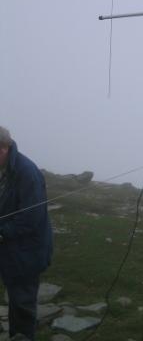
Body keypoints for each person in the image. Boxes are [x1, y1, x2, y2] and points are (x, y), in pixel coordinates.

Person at [0, 127, 53, 341]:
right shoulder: (5, 168)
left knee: (22, 302)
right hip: (10, 248)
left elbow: (31, 217)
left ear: (3, 149)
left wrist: (2, 232)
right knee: (15, 297)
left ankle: (22, 337)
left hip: (26, 252)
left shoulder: (27, 173)